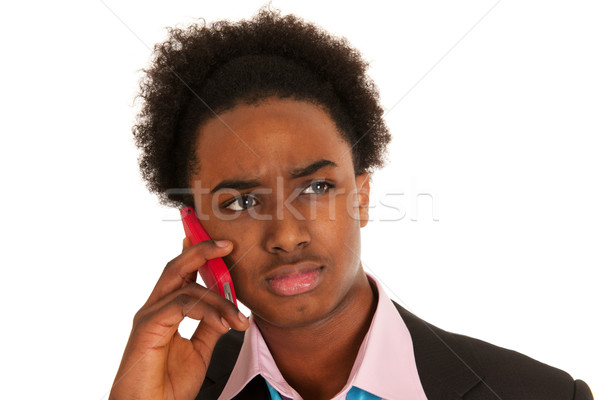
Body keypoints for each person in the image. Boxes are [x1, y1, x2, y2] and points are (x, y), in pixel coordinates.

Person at [109, 8, 594, 400]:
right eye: (240, 201)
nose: (286, 235)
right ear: (194, 228)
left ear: (360, 197)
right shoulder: (175, 391)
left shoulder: (538, 394)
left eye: (316, 188)